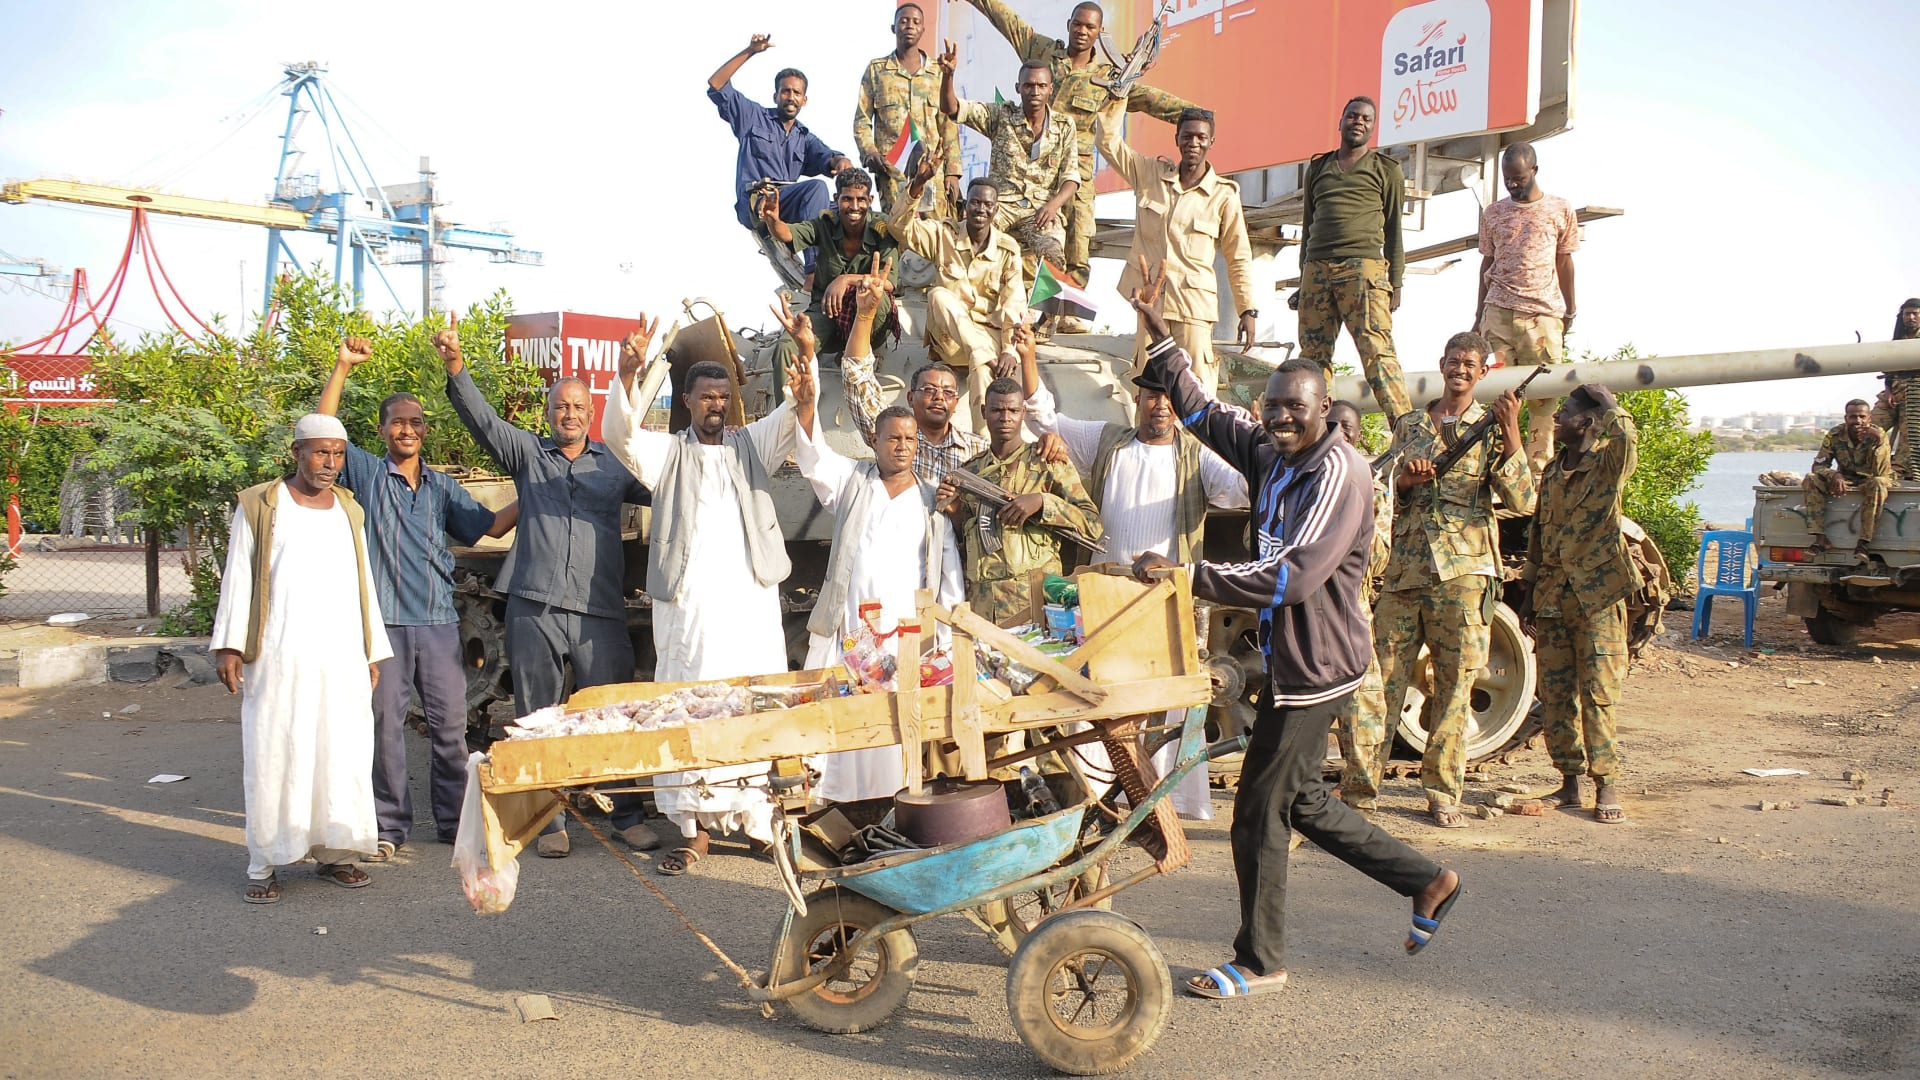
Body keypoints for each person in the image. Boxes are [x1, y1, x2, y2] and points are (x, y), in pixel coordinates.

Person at [1130, 293, 1460, 1000]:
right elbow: (1202, 413)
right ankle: (1427, 881)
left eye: (1295, 408)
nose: (1279, 417)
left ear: (1323, 409)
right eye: (1272, 406)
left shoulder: (1335, 474)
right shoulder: (1271, 451)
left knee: (1257, 810)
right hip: (1290, 658)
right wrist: (1163, 339)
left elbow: (1295, 573)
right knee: (1301, 799)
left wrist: (1189, 574)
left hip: (1316, 667)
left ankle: (1259, 960)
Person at [1018, 299, 1246, 820]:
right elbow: (1044, 415)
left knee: (1170, 697)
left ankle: (1172, 798)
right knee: (1097, 693)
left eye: (1167, 397)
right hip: (1107, 595)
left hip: (1170, 597)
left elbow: (1238, 491)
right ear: (1135, 400)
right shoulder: (1106, 441)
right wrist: (1030, 356)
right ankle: (1098, 795)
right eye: (1149, 396)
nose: (1159, 405)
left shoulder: (1199, 454)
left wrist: (1252, 444)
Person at [438, 317, 654, 859]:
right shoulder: (528, 456)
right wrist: (456, 367)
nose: (571, 415)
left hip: (599, 611)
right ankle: (547, 819)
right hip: (534, 605)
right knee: (537, 718)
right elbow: (484, 423)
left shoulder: (616, 466)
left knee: (612, 713)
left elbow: (669, 488)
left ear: (591, 412)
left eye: (580, 407)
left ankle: (626, 813)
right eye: (561, 406)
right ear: (548, 412)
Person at [602, 308, 802, 875]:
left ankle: (759, 820)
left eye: (724, 397)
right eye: (706, 397)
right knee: (688, 700)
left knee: (753, 701)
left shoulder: (752, 445)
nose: (716, 405)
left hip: (749, 602)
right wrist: (627, 374)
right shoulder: (667, 453)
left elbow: (792, 416)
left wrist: (804, 362)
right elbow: (618, 434)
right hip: (689, 606)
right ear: (688, 402)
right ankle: (693, 829)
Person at [316, 338, 518, 859]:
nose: (407, 429)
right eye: (397, 422)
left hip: (437, 624)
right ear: (383, 431)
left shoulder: (440, 488)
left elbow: (488, 527)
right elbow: (325, 431)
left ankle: (452, 824)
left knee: (451, 730)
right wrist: (342, 367)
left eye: (415, 422)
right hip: (385, 627)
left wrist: (532, 493)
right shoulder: (366, 474)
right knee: (386, 730)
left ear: (424, 431)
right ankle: (390, 827)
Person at [213, 413, 392, 904]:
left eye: (337, 453)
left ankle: (339, 853)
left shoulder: (347, 509)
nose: (330, 463)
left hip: (340, 655)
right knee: (276, 750)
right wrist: (230, 644)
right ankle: (264, 862)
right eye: (319, 452)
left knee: (342, 752)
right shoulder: (261, 505)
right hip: (279, 654)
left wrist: (371, 649)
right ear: (296, 453)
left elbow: (363, 583)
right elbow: (239, 577)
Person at [791, 349, 964, 802]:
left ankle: (892, 806)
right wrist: (807, 406)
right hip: (850, 631)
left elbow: (948, 576)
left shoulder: (932, 501)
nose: (902, 446)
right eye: (893, 439)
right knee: (841, 722)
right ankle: (836, 803)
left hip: (904, 638)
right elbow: (814, 458)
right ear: (875, 440)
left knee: (895, 728)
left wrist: (945, 640)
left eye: (909, 439)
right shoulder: (851, 482)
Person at [1376, 332, 1534, 829]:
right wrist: (1406, 480)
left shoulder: (1489, 430)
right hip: (1405, 571)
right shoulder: (1411, 425)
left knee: (1454, 686)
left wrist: (1511, 432)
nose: (1460, 370)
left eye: (1470, 363)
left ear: (1483, 371)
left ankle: (1443, 793)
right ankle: (1360, 787)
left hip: (1464, 574)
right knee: (1379, 682)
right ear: (1441, 365)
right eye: (1453, 361)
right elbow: (1380, 489)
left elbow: (1522, 500)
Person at [964, 0, 1199, 326]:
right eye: (1078, 24)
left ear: (1100, 32)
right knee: (1005, 240)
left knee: (1077, 244)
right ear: (1069, 24)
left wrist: (1195, 116)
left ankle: (1066, 314)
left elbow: (1149, 99)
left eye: (1090, 27)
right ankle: (1003, 305)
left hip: (1075, 177)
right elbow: (1007, 21)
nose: (1082, 31)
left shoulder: (1108, 79)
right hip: (1030, 178)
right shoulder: (1043, 51)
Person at [1515, 384, 1639, 825]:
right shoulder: (1551, 472)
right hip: (1552, 597)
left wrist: (1609, 405)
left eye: (1565, 412)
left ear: (1585, 422)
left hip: (1597, 598)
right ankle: (1568, 782)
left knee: (1599, 695)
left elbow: (1627, 442)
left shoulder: (1606, 464)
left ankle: (1606, 783)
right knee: (1555, 695)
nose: (1555, 417)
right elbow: (1538, 538)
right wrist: (1528, 596)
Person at [1095, 96, 1257, 392]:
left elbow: (1238, 258)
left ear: (1211, 141)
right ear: (1177, 139)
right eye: (1187, 136)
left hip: (1194, 309)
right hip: (1150, 303)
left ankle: (1193, 442)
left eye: (1201, 137)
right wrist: (1119, 96)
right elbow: (1107, 142)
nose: (1193, 143)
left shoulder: (1224, 195)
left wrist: (1248, 310)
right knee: (1146, 390)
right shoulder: (1149, 175)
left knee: (1196, 390)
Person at [937, 377, 1102, 626]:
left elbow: (1092, 524)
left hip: (1035, 604)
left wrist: (1042, 503)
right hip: (984, 607)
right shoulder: (969, 473)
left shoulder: (1047, 462)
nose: (1005, 418)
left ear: (1023, 412)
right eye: (996, 410)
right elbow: (963, 548)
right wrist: (956, 512)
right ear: (984, 412)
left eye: (1013, 410)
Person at [1294, 97, 1411, 424]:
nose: (1358, 122)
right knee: (1313, 359)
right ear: (1341, 121)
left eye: (1366, 119)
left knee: (1377, 354)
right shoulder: (1319, 168)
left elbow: (1394, 231)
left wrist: (1396, 282)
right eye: (1352, 116)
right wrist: (1301, 277)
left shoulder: (1385, 169)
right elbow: (1308, 227)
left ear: (1373, 128)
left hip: (1364, 269)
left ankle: (1409, 434)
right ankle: (1313, 435)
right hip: (1317, 269)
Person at [890, 157, 1027, 432]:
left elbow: (1014, 303)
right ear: (965, 206)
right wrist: (917, 184)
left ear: (995, 210)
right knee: (938, 294)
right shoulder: (944, 235)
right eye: (976, 202)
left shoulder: (1008, 250)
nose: (981, 209)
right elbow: (898, 227)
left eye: (988, 205)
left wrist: (1010, 350)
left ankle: (982, 444)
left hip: (988, 342)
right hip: (949, 341)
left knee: (982, 362)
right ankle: (979, 351)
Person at [938, 43, 1080, 289]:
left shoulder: (1064, 126)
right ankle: (970, 299)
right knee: (970, 235)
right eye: (1028, 85)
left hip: (1039, 209)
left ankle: (1046, 320)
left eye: (1041, 86)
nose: (1034, 91)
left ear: (1050, 89)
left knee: (1053, 250)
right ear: (1018, 88)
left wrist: (1054, 205)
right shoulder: (1001, 116)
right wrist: (949, 74)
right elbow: (952, 108)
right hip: (1000, 204)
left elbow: (1071, 179)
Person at [1474, 142, 1580, 470]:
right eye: (1508, 179)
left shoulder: (1560, 209)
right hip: (1499, 315)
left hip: (1543, 317)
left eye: (1518, 178)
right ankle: (1493, 470)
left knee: (1543, 402)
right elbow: (1486, 264)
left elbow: (1565, 262)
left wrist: (1570, 310)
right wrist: (1478, 316)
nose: (1513, 184)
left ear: (1534, 171)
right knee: (1494, 396)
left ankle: (1536, 477)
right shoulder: (1493, 213)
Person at [708, 34, 852, 273]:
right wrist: (750, 51)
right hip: (758, 201)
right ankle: (815, 270)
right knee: (816, 189)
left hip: (787, 206)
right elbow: (716, 84)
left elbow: (827, 157)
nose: (791, 97)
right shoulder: (753, 117)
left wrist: (841, 160)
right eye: (786, 91)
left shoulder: (804, 137)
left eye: (797, 93)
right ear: (776, 96)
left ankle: (848, 275)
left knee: (849, 209)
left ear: (804, 100)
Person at [761, 170, 900, 382]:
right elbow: (787, 233)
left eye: (861, 200)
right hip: (827, 314)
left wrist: (845, 279)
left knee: (878, 298)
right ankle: (788, 414)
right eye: (847, 199)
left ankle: (857, 350)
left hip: (867, 320)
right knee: (786, 347)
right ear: (837, 199)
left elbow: (888, 282)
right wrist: (773, 220)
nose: (854, 207)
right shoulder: (825, 224)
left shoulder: (881, 228)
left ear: (870, 200)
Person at [1326, 400, 1394, 812]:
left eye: (1347, 429)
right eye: (1332, 426)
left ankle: (1360, 798)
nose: (1339, 434)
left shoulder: (1374, 487)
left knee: (1364, 706)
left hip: (1352, 608)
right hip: (1305, 607)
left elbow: (1381, 558)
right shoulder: (1303, 476)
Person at [853, 3, 960, 217]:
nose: (909, 26)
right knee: (898, 236)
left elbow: (948, 124)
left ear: (923, 29)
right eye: (903, 21)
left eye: (916, 22)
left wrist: (953, 172)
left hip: (932, 171)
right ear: (894, 28)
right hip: (893, 173)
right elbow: (862, 120)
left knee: (935, 238)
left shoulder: (937, 72)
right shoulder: (877, 70)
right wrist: (870, 152)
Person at [1801, 398, 1894, 561]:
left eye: (1862, 417)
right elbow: (1818, 466)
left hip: (1871, 479)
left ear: (1869, 418)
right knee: (1811, 478)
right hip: (1846, 478)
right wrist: (1835, 475)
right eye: (1853, 417)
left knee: (1878, 482)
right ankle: (1820, 539)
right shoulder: (1835, 435)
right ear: (1846, 418)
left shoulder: (1879, 435)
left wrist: (1878, 442)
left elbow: (1882, 471)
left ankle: (1864, 543)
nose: (1857, 421)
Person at [1870, 298, 1920, 480]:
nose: (1911, 317)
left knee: (1910, 439)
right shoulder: (1899, 339)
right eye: (1907, 314)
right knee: (1869, 427)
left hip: (1916, 394)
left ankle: (1898, 472)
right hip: (1894, 391)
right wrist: (1889, 390)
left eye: (1915, 313)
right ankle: (1864, 465)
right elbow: (1890, 369)